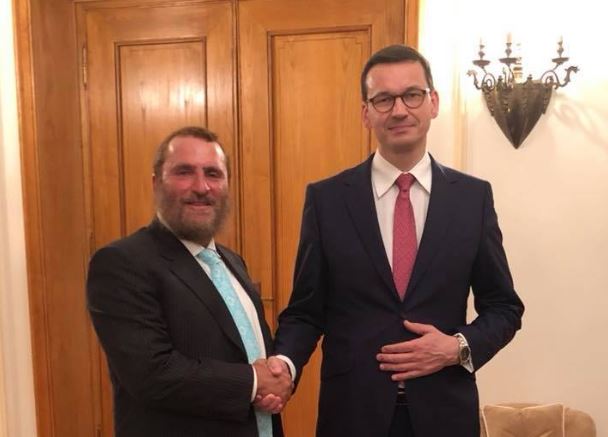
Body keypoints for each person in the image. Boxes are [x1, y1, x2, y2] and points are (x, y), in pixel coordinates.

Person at [271, 45, 525, 436]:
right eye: (384, 99)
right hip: (352, 416)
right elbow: (305, 311)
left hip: (444, 415)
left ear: (433, 102)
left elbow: (504, 308)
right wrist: (284, 365)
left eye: (412, 95)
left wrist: (458, 346)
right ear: (366, 113)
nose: (400, 110)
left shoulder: (472, 199)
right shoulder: (326, 200)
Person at [87, 126, 292, 437]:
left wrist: (278, 377)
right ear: (156, 183)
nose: (201, 187)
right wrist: (254, 382)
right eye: (184, 172)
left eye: (213, 174)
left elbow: (249, 354)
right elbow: (152, 374)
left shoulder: (232, 262)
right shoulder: (122, 263)